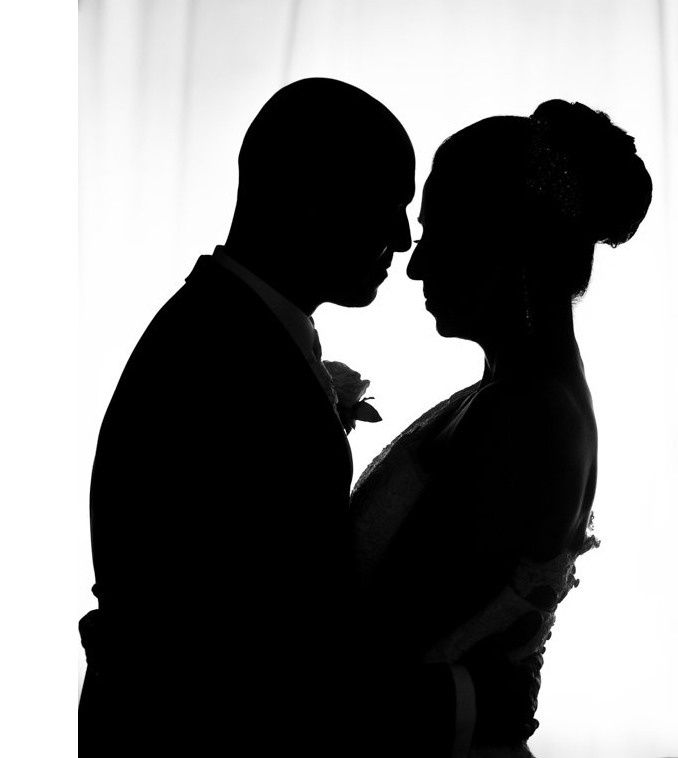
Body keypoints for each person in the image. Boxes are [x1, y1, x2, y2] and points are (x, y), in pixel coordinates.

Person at [79, 78, 532, 756]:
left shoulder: (223, 333)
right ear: (316, 199)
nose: (404, 240)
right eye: (391, 205)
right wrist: (469, 703)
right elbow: (254, 672)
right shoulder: (231, 370)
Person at [349, 100, 652, 756]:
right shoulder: (503, 395)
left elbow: (380, 652)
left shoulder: (532, 415)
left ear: (507, 245)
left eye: (437, 236)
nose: (415, 265)